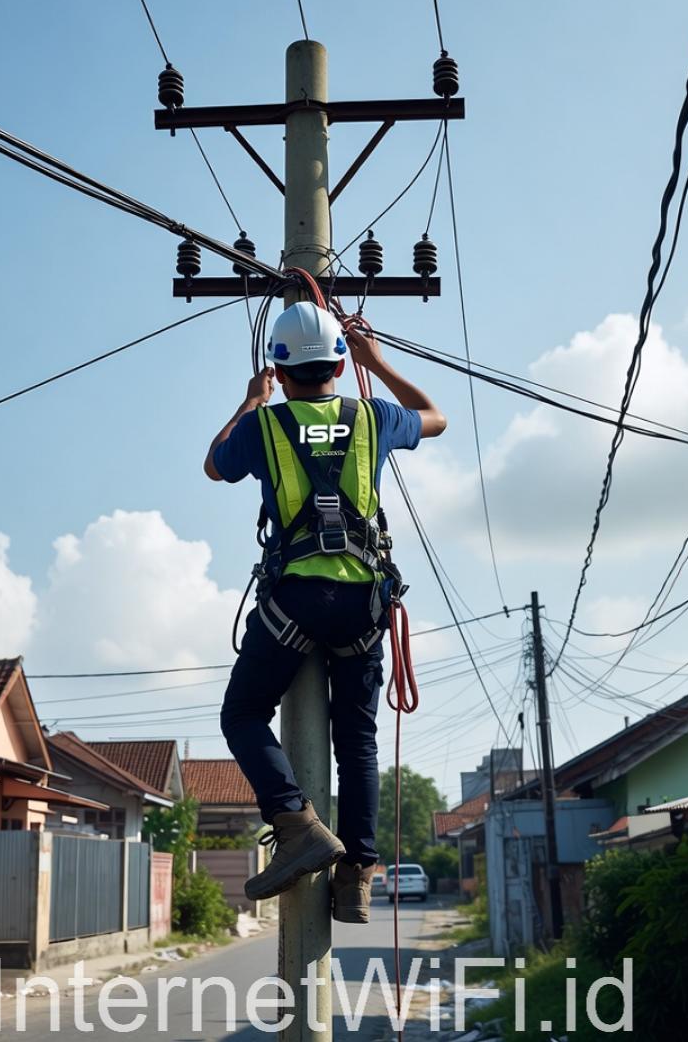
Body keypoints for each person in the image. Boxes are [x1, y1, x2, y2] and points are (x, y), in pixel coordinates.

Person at [204, 301, 446, 923]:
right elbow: (435, 418)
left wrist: (252, 400)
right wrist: (379, 362)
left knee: (244, 712)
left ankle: (298, 824)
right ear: (340, 361)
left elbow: (214, 464)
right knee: (357, 741)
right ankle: (357, 875)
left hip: (296, 602)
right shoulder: (373, 417)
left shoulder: (266, 424)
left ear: (280, 374)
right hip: (364, 604)